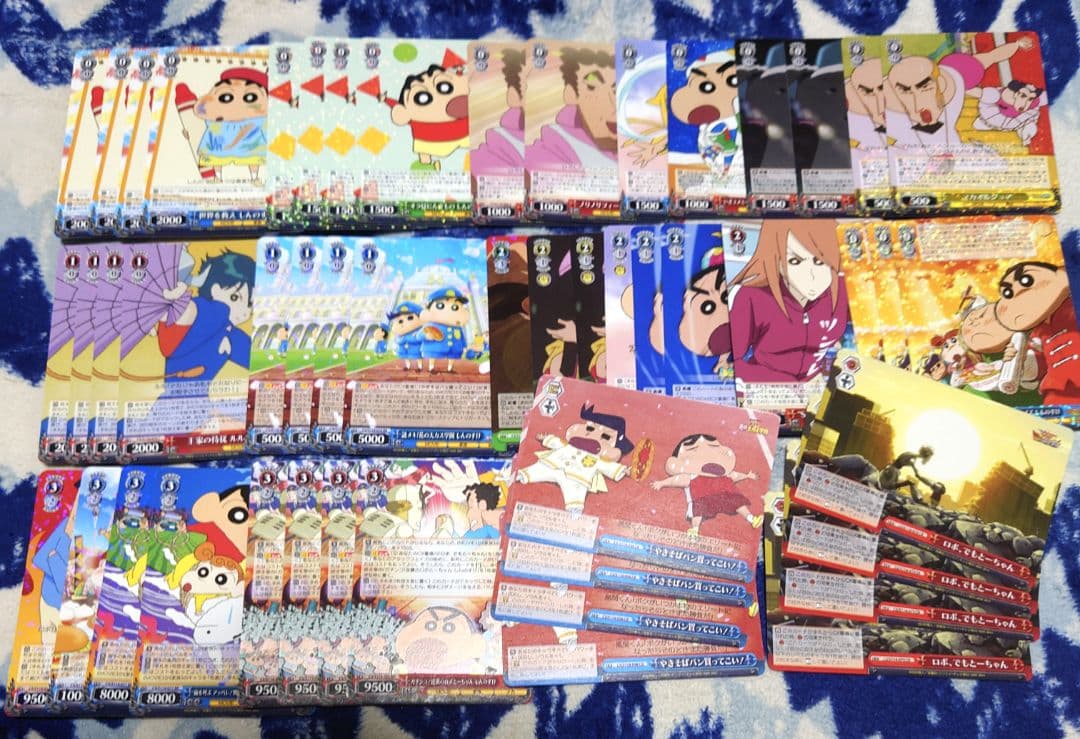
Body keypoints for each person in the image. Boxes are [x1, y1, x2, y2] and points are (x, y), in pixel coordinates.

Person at [728, 220, 849, 383]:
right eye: (795, 261)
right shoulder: (752, 296)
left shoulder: (843, 289)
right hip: (766, 388)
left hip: (817, 387)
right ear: (775, 260)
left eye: (820, 261)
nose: (811, 276)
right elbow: (729, 364)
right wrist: (785, 383)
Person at [516, 403, 634, 514]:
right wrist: (545, 439)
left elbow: (608, 466)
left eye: (606, 436)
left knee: (575, 492)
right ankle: (523, 475)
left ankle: (574, 508)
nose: (590, 435)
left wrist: (625, 470)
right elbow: (556, 442)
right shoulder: (566, 445)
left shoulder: (598, 460)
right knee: (537, 470)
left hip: (577, 477)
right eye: (589, 429)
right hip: (553, 465)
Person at [994, 261, 1080, 404]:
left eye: (1026, 280)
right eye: (1009, 293)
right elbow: (1038, 364)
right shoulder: (1037, 331)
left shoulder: (1071, 307)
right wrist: (1019, 361)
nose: (1020, 293)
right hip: (1057, 397)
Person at [651, 434, 762, 536]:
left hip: (724, 495)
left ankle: (752, 519)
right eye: (693, 450)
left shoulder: (723, 473)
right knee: (698, 511)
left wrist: (747, 476)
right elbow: (678, 479)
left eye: (713, 447)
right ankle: (694, 529)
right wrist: (662, 483)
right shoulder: (692, 474)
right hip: (702, 498)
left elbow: (734, 475)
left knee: (738, 503)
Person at [526, 47, 617, 170]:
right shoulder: (553, 148)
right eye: (592, 87)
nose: (612, 103)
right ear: (571, 94)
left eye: (616, 90)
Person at [188, 68, 268, 182]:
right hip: (220, 145)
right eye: (225, 97)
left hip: (250, 146)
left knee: (253, 159)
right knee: (216, 159)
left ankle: (254, 177)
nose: (238, 105)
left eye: (250, 97)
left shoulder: (258, 121)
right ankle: (218, 177)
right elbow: (206, 125)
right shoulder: (216, 122)